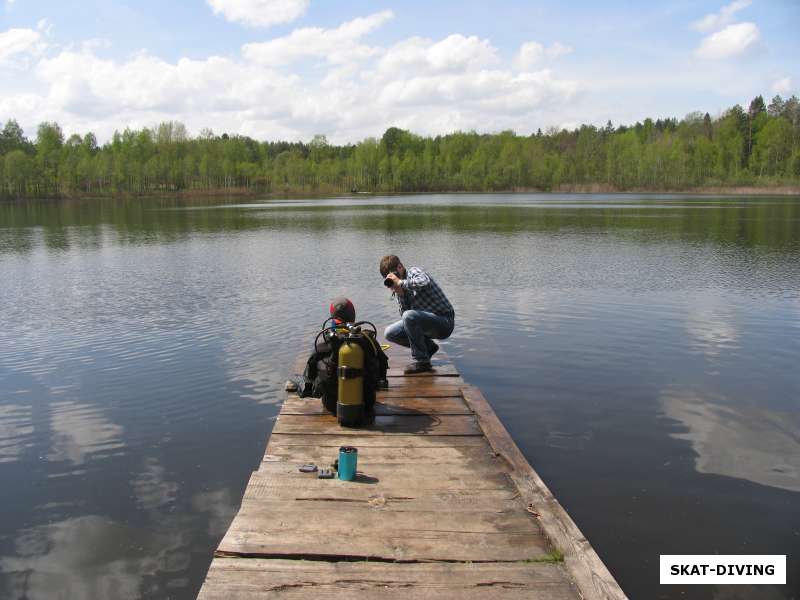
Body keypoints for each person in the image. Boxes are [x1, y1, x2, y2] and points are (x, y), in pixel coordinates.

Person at [379, 255, 455, 374]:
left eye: (392, 276)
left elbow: (424, 282)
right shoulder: (400, 287)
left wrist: (400, 282)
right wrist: (401, 294)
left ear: (400, 267)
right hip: (427, 322)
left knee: (409, 316)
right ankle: (429, 348)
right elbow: (406, 319)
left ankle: (422, 362)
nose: (393, 280)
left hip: (444, 321)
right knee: (390, 333)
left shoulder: (414, 272)